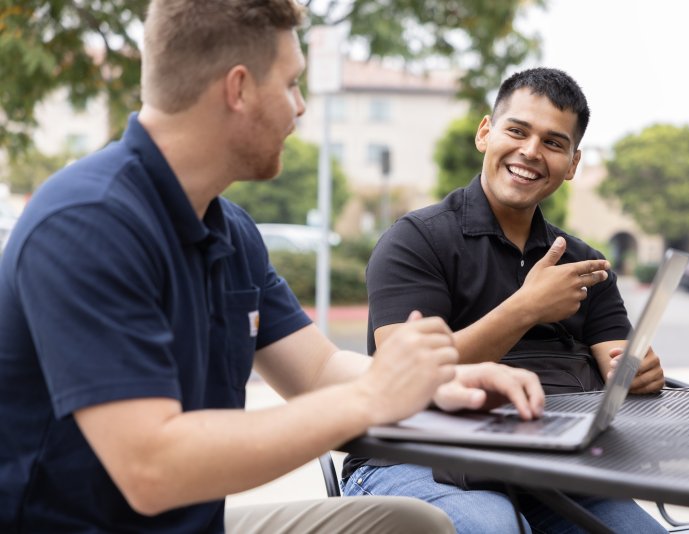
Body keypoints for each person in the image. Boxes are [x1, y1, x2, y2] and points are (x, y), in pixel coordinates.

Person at [0, 2, 547, 532]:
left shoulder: (231, 230)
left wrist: (441, 382)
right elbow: (152, 469)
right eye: (290, 84)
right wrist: (372, 397)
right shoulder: (89, 223)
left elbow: (316, 373)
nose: (301, 106)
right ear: (238, 89)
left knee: (412, 523)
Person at [341, 68, 668, 533]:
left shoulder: (583, 263)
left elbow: (618, 359)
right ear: (485, 133)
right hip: (412, 458)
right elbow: (403, 377)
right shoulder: (415, 240)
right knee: (496, 527)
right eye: (517, 130)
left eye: (554, 143)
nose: (531, 152)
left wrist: (636, 372)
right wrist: (527, 306)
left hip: (548, 469)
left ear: (572, 164)